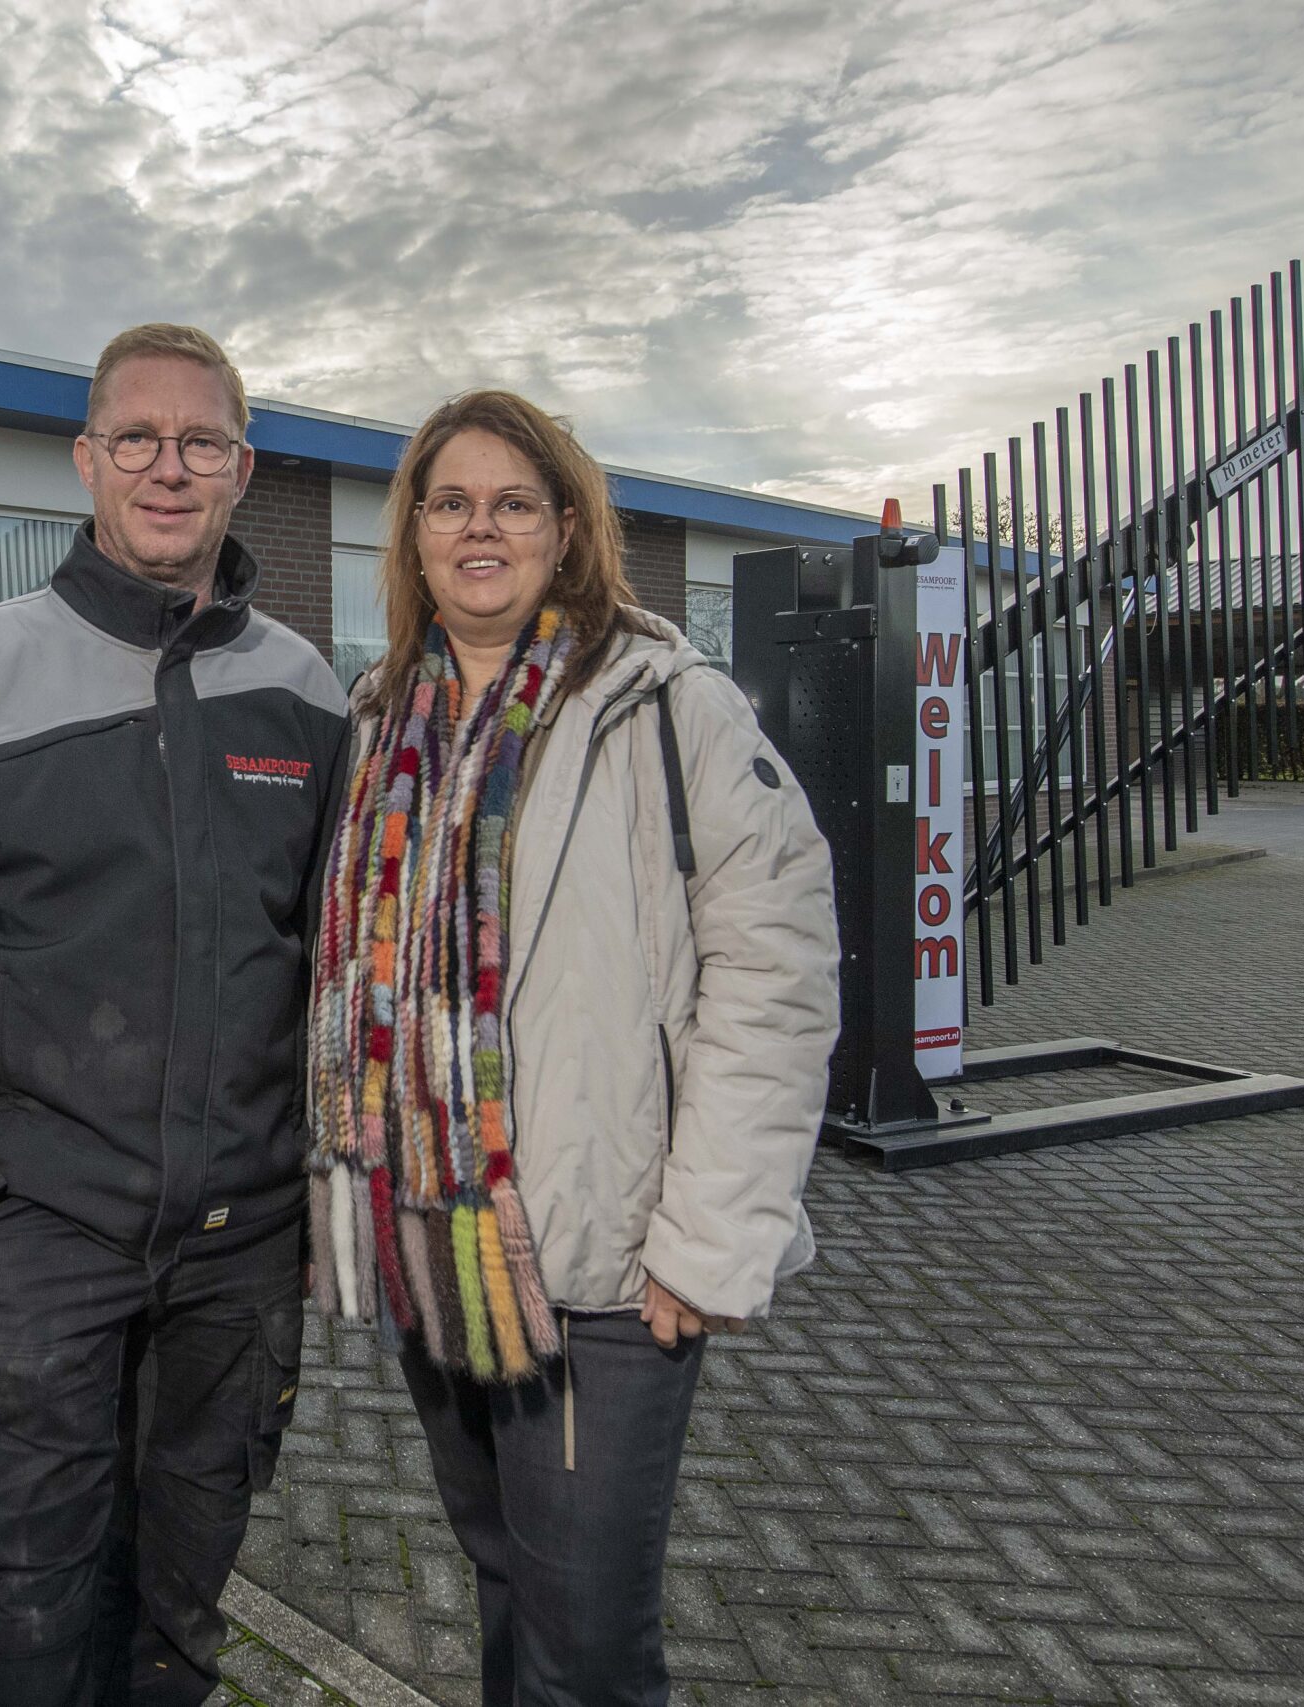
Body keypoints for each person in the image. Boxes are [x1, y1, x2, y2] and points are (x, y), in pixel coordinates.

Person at [0, 324, 348, 1706]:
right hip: (35, 1248)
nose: (169, 468)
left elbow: (340, 959)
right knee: (25, 1634)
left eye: (201, 443)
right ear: (87, 460)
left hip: (238, 1261)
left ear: (244, 468)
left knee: (175, 1622)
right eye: (138, 439)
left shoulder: (302, 694)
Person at [306, 390, 839, 1706]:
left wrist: (709, 1245)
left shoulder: (667, 709)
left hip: (603, 1270)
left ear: (566, 526)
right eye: (450, 502)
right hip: (437, 1246)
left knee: (588, 1642)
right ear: (415, 534)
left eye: (512, 502)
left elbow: (776, 983)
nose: (478, 526)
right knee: (503, 1581)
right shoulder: (378, 717)